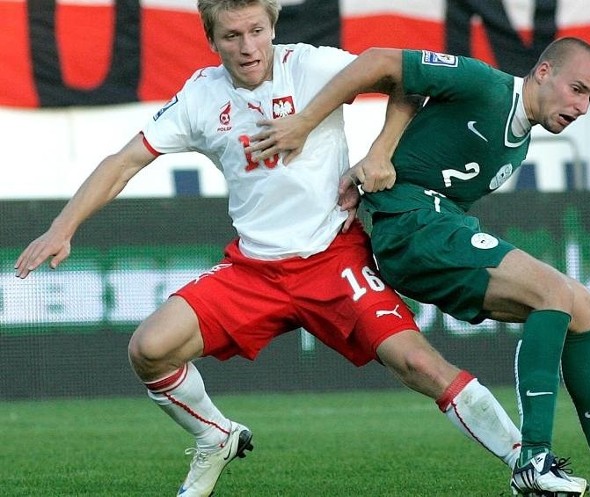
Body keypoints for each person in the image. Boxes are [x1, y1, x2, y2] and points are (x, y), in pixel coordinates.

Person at [13, 1, 527, 496]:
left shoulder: (313, 66)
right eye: (232, 36)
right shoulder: (200, 96)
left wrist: (379, 151)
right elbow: (124, 161)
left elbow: (407, 85)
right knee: (148, 350)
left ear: (272, 26)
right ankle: (214, 435)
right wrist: (63, 228)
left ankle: (527, 463)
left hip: (334, 257)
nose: (247, 46)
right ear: (212, 40)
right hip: (255, 269)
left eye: (256, 30)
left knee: (421, 366)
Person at [247, 38, 590, 496]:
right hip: (413, 226)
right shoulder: (486, 85)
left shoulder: (519, 139)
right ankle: (533, 461)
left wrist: (380, 161)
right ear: (544, 71)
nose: (584, 105)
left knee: (584, 307)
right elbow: (380, 62)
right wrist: (306, 125)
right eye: (578, 89)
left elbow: (413, 95)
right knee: (552, 293)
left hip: (432, 231)